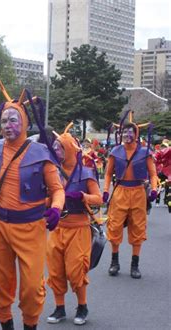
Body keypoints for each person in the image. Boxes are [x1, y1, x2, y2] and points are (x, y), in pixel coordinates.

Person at [0, 88, 65, 330]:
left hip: (31, 227)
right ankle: (6, 325)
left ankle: (30, 325)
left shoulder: (40, 153)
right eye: (4, 121)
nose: (8, 125)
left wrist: (56, 209)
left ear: (25, 123)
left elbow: (57, 189)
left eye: (13, 120)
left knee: (30, 286)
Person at [46, 123, 102, 325]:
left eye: (60, 147)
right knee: (55, 270)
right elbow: (47, 196)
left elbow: (98, 199)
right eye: (55, 147)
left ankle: (82, 306)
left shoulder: (86, 172)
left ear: (69, 149)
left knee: (76, 270)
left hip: (79, 229)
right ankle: (59, 308)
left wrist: (82, 195)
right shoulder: (52, 171)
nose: (56, 150)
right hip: (57, 228)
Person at [103, 122, 158, 279]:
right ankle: (114, 262)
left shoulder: (144, 152)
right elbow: (107, 174)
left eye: (130, 132)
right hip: (120, 192)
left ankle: (135, 264)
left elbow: (153, 174)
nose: (128, 134)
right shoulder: (115, 151)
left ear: (136, 134)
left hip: (138, 193)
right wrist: (106, 191)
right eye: (125, 131)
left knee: (138, 227)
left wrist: (154, 189)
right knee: (114, 226)